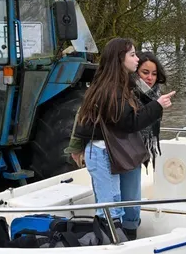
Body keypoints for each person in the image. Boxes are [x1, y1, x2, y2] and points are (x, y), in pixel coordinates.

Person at [72, 39, 174, 241]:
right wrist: (157, 106)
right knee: (110, 207)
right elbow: (126, 122)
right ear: (120, 58)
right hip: (107, 151)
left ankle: (127, 240)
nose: (137, 59)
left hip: (124, 151)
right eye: (133, 55)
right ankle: (114, 245)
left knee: (127, 205)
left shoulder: (119, 84)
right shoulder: (111, 88)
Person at [66, 51, 169, 170]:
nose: (150, 78)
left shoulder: (155, 96)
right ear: (135, 71)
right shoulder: (123, 92)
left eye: (154, 74)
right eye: (145, 72)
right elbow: (85, 114)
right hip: (117, 151)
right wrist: (76, 147)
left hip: (136, 152)